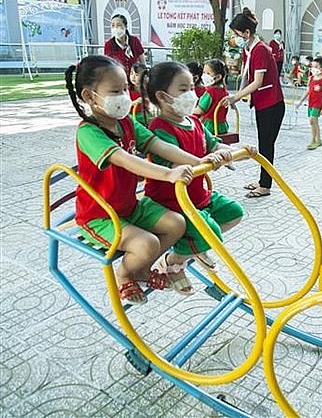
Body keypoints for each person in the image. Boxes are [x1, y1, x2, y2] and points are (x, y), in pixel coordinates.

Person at [65, 55, 209, 305]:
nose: (124, 96)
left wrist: (199, 161)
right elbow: (122, 158)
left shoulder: (126, 123)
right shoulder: (89, 132)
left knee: (176, 223)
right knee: (147, 243)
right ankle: (124, 274)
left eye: (124, 89)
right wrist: (168, 173)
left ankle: (143, 269)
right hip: (99, 215)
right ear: (89, 96)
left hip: (129, 206)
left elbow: (158, 144)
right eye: (115, 91)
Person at [143, 61, 247, 277]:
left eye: (192, 87)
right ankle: (173, 261)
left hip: (198, 196)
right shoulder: (160, 128)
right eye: (183, 90)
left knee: (234, 212)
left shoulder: (194, 122)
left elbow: (213, 144)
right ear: (162, 97)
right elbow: (172, 164)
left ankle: (193, 248)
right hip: (173, 202)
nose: (192, 94)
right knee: (211, 233)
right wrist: (203, 160)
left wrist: (231, 151)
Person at [221, 7, 285, 199]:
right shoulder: (248, 49)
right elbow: (246, 76)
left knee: (266, 145)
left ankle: (265, 185)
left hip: (272, 104)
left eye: (236, 33)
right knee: (264, 144)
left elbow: (257, 82)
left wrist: (235, 97)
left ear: (247, 33)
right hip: (263, 104)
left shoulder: (261, 50)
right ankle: (262, 180)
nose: (235, 37)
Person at [296, 57, 322, 150]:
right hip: (311, 103)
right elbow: (308, 91)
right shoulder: (311, 78)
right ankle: (318, 140)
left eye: (316, 67)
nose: (313, 69)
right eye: (312, 66)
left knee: (312, 120)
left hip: (318, 104)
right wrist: (300, 102)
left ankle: (313, 140)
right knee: (314, 123)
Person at [193, 59, 230, 135]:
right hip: (222, 125)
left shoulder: (210, 92)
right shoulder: (224, 91)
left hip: (209, 126)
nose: (204, 75)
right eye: (204, 72)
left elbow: (200, 110)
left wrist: (187, 111)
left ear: (218, 77)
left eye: (208, 73)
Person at [128, 63, 151, 127]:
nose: (133, 77)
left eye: (137, 75)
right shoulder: (127, 90)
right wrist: (135, 102)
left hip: (145, 115)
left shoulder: (148, 89)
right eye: (131, 74)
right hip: (132, 116)